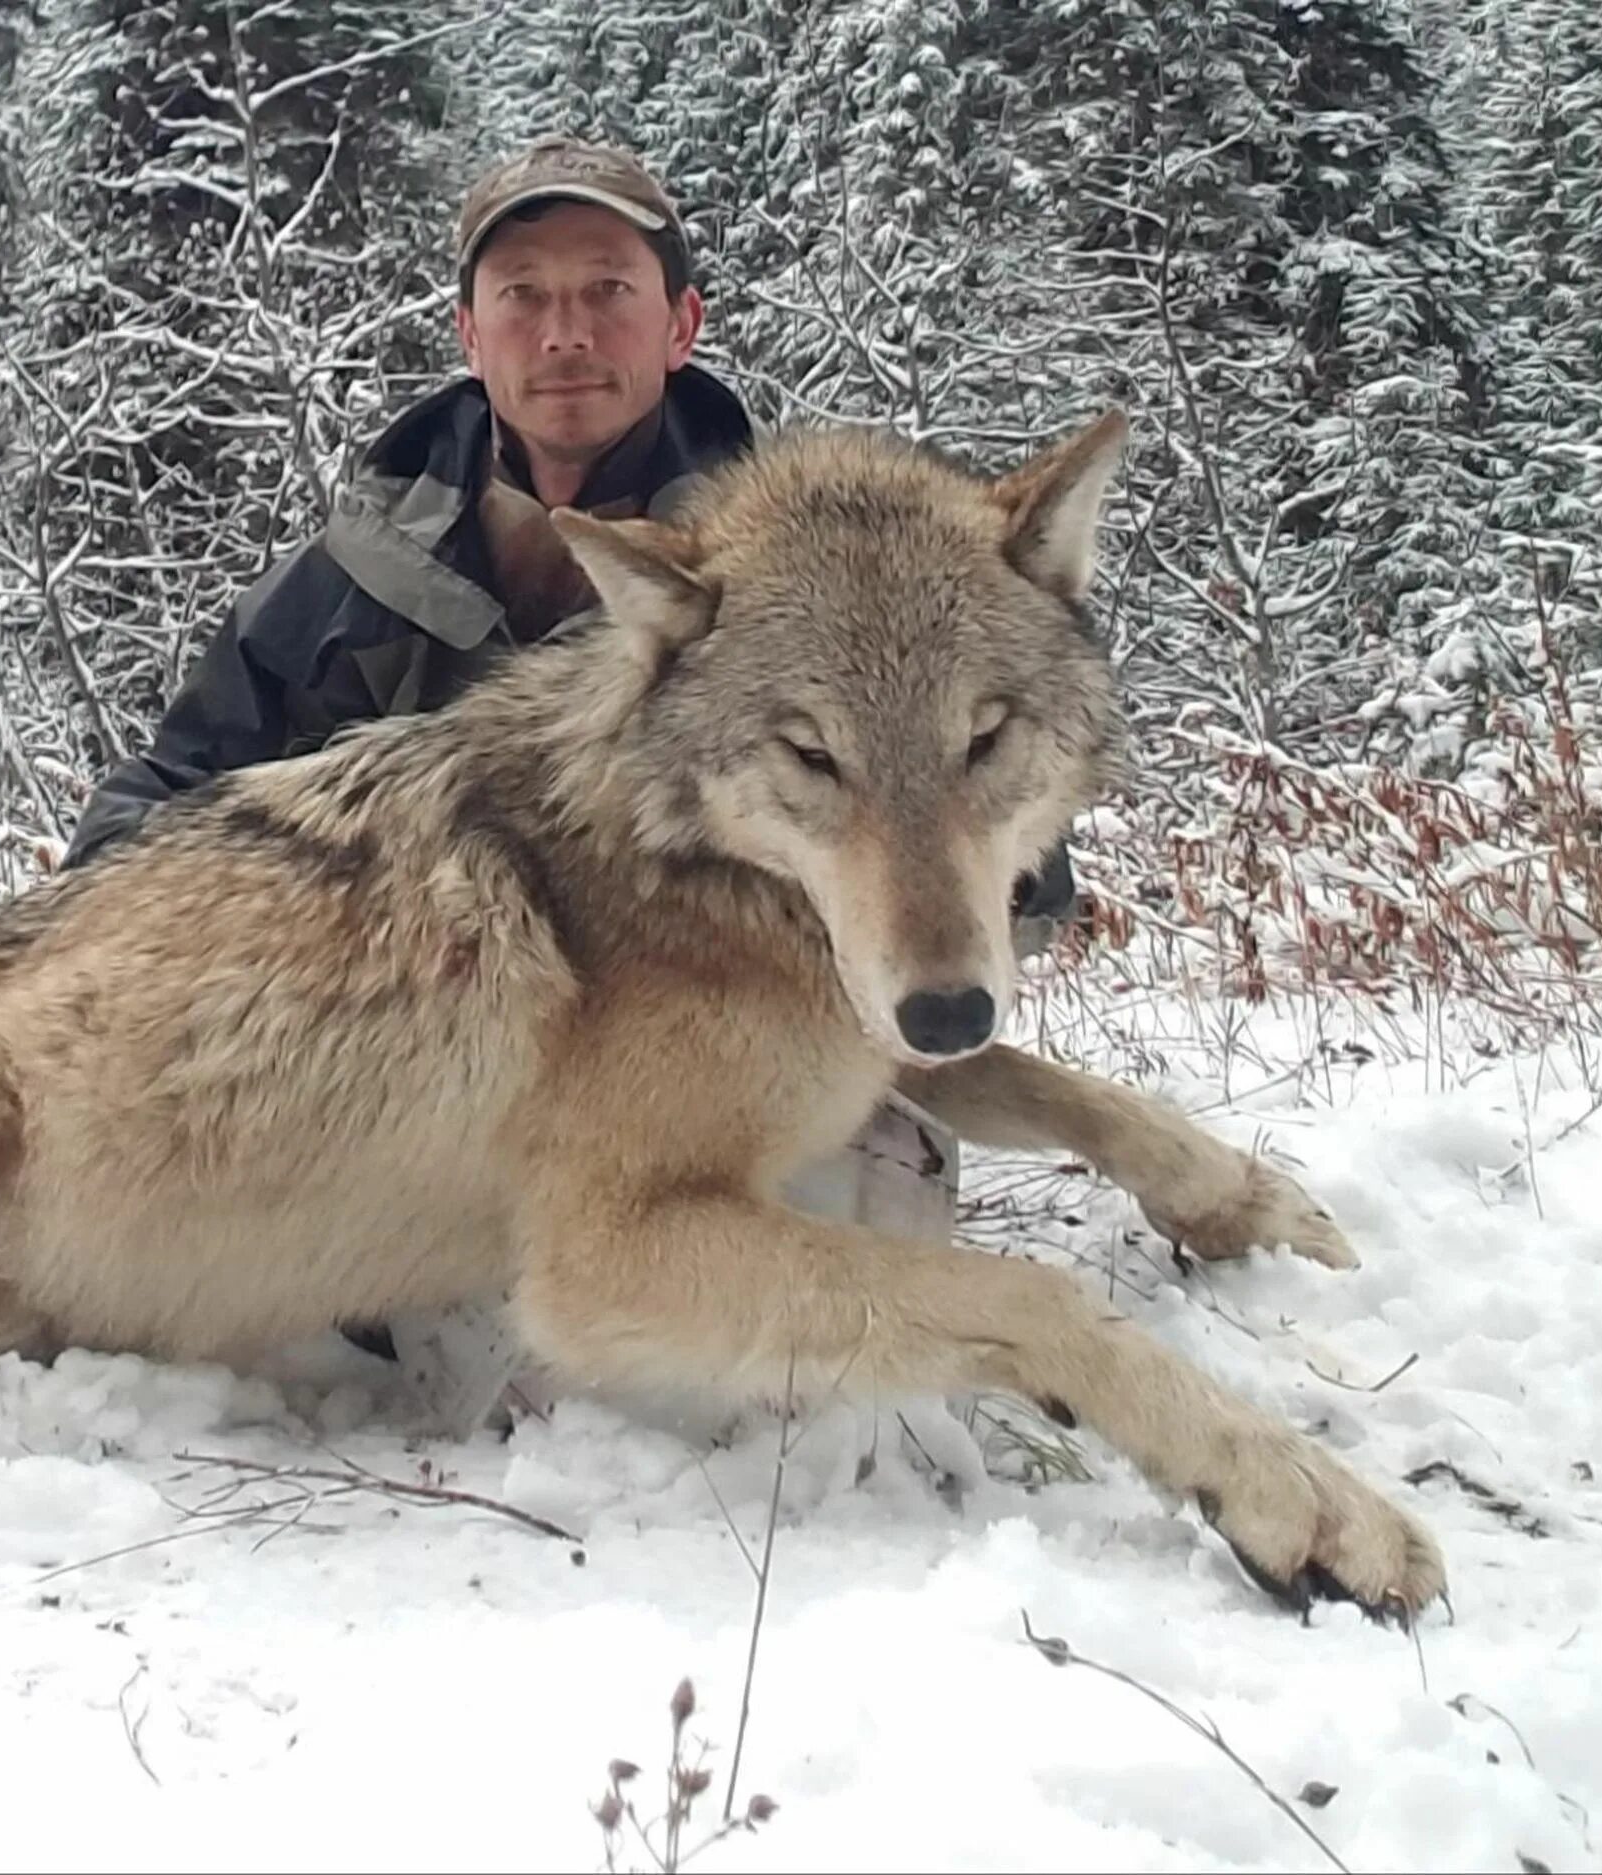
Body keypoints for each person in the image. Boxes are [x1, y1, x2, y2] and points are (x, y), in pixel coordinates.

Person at [64, 136, 1084, 1422]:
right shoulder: (356, 571)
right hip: (446, 1076)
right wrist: (125, 965)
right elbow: (174, 780)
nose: (565, 333)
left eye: (608, 289)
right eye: (524, 296)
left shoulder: (810, 570)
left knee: (819, 1322)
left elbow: (1001, 847)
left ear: (681, 326)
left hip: (713, 1052)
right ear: (470, 333)